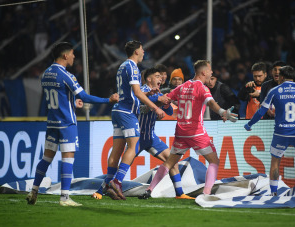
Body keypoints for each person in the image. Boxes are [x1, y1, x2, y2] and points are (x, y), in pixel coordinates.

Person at [26, 42, 119, 206]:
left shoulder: (46, 73)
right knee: (68, 159)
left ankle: (33, 190)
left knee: (46, 158)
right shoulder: (66, 75)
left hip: (52, 122)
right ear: (65, 55)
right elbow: (85, 96)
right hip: (67, 123)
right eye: (72, 54)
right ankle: (64, 198)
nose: (74, 57)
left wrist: (72, 102)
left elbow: (58, 96)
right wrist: (108, 99)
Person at [138, 60, 238, 199]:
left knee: (169, 163)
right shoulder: (202, 88)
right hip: (196, 132)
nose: (211, 73)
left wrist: (149, 106)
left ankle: (149, 190)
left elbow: (165, 99)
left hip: (181, 132)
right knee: (214, 161)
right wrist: (222, 112)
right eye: (210, 70)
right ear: (203, 72)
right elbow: (211, 103)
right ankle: (206, 194)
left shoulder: (182, 87)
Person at [92, 68, 193, 200]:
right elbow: (140, 108)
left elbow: (168, 113)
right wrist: (157, 102)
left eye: (161, 76)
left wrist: (166, 103)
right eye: (157, 76)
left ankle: (180, 193)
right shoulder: (139, 92)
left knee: (172, 160)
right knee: (122, 164)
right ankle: (103, 189)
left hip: (151, 137)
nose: (161, 79)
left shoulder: (158, 93)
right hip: (136, 137)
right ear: (149, 79)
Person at [101, 41, 167, 200]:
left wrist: (149, 95)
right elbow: (137, 92)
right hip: (126, 111)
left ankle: (107, 185)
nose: (144, 52)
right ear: (136, 51)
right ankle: (117, 182)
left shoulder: (122, 66)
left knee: (116, 152)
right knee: (133, 144)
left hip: (117, 110)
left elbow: (133, 92)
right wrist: (155, 107)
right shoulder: (132, 67)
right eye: (142, 49)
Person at [244, 66, 295, 196]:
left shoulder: (275, 91)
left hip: (281, 133)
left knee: (275, 163)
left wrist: (249, 124)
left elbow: (261, 111)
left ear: (281, 77)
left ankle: (274, 192)